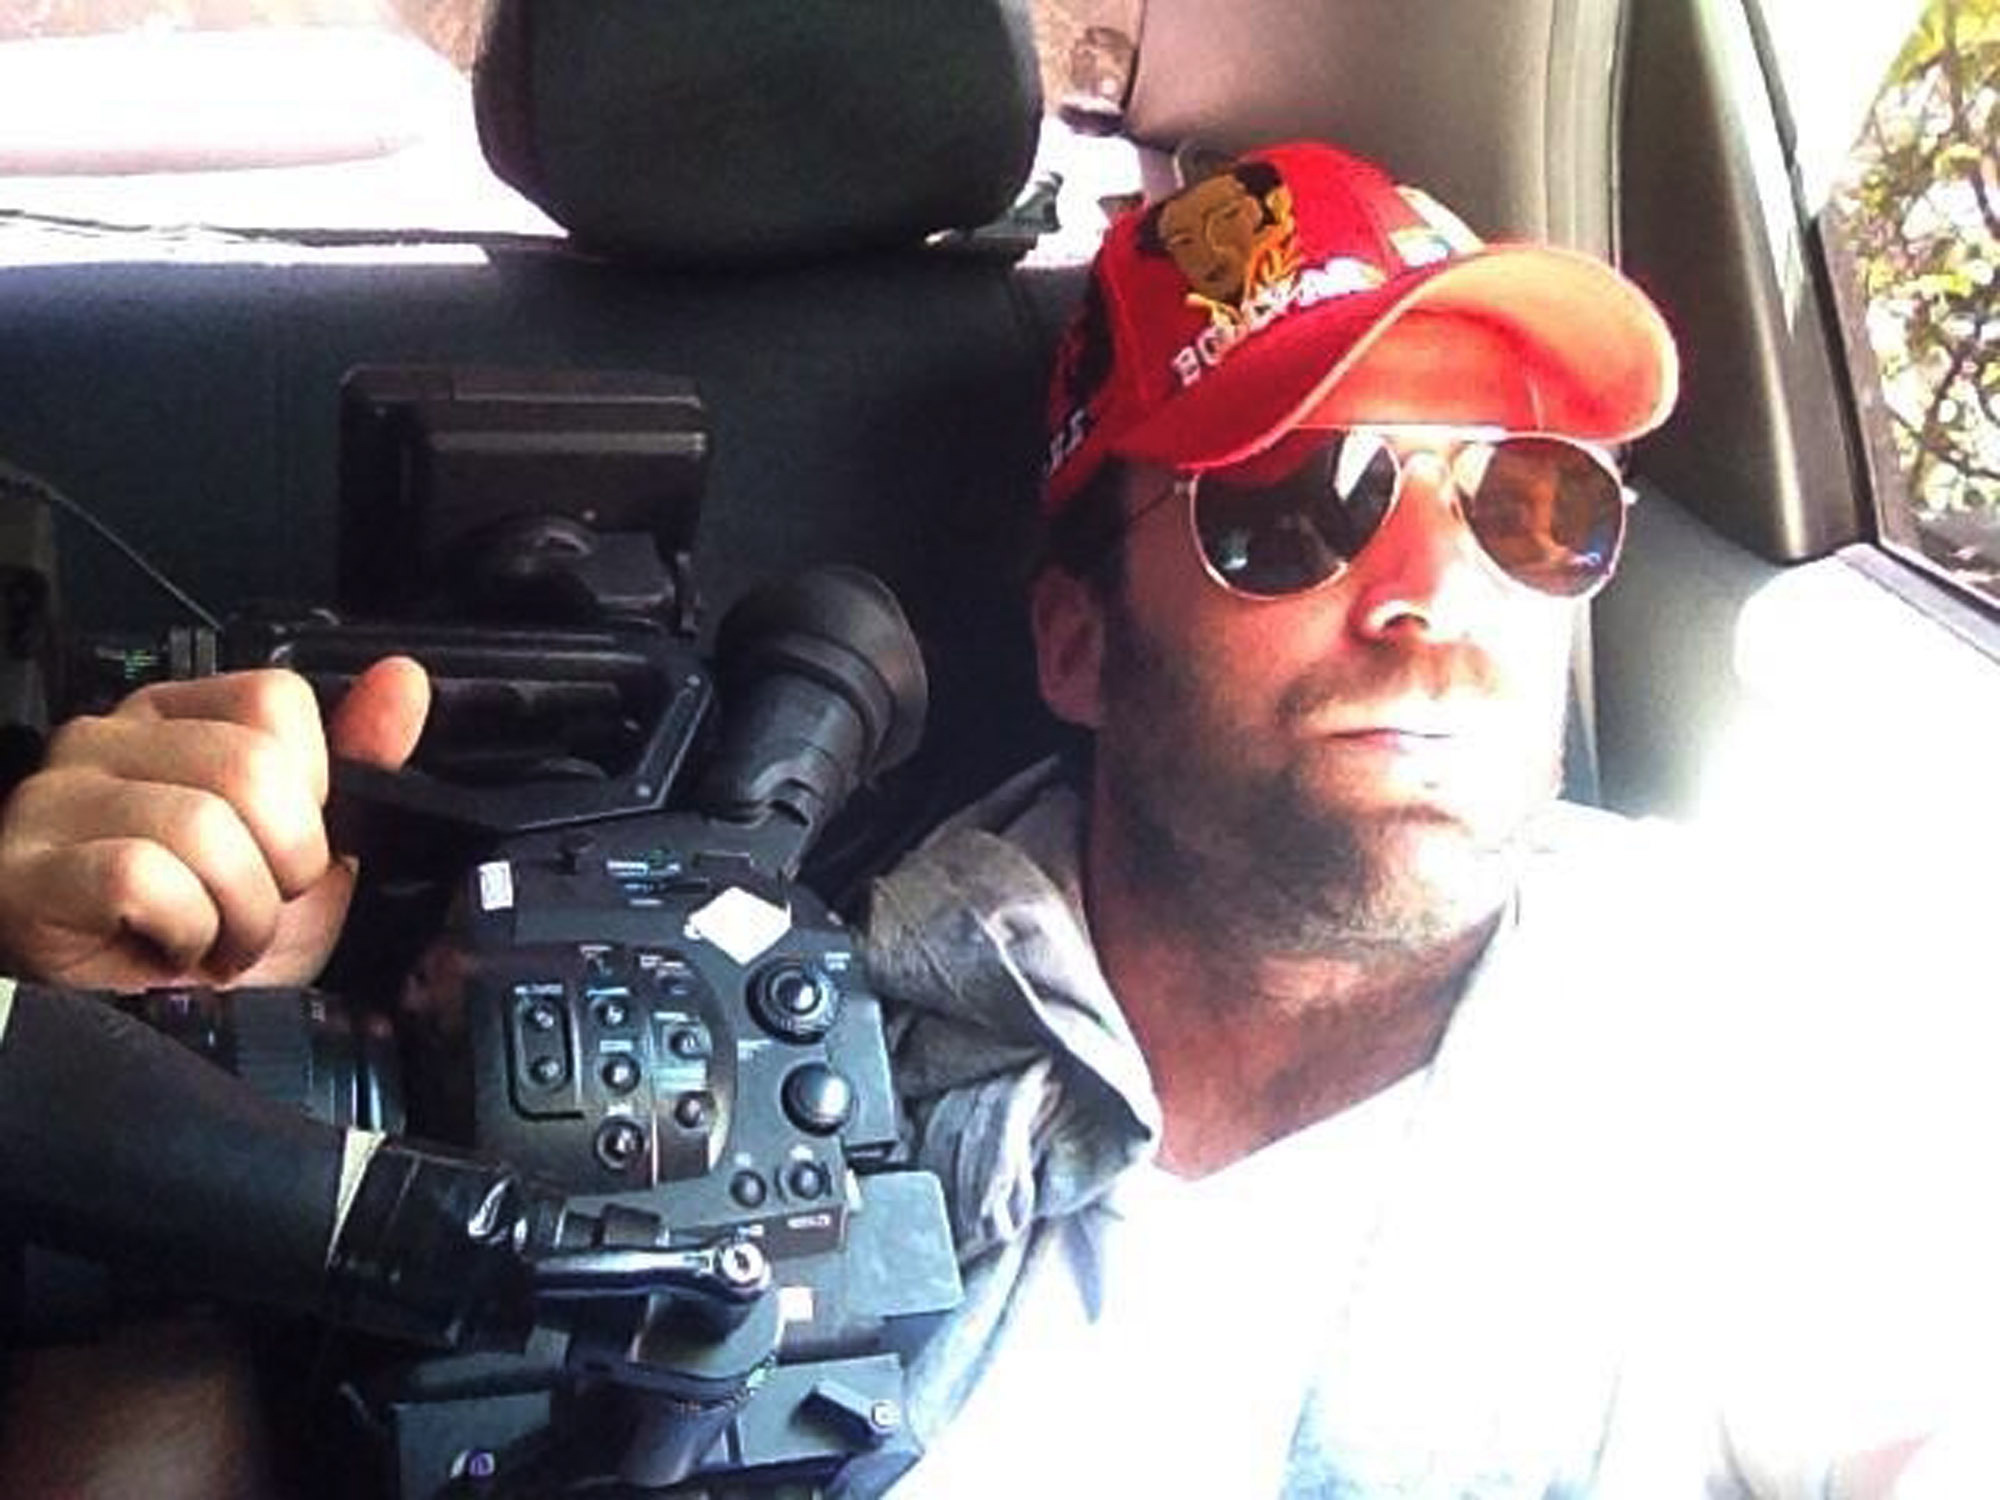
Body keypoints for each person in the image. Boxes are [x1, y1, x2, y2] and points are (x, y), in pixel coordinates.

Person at [0, 141, 1985, 1497]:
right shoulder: (778, 1027)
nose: (1430, 594)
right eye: (1295, 505)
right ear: (1077, 644)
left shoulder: (1764, 1059)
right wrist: (158, 1104)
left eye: (1532, 507)